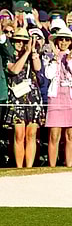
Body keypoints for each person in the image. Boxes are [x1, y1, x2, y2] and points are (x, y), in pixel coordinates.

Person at [44, 28, 72, 167]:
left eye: (66, 39)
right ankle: (52, 167)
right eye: (61, 39)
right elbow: (48, 75)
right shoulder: (50, 55)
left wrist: (68, 60)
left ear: (71, 42)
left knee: (71, 134)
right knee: (54, 134)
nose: (63, 42)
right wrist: (55, 58)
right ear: (56, 41)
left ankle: (69, 167)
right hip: (56, 96)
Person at [4, 28, 45, 168]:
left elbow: (38, 68)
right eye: (17, 41)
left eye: (23, 41)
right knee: (19, 134)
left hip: (33, 98)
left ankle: (29, 167)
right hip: (17, 97)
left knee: (31, 134)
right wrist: (26, 52)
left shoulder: (32, 54)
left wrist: (32, 52)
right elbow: (14, 70)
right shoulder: (8, 56)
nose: (20, 44)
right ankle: (19, 167)